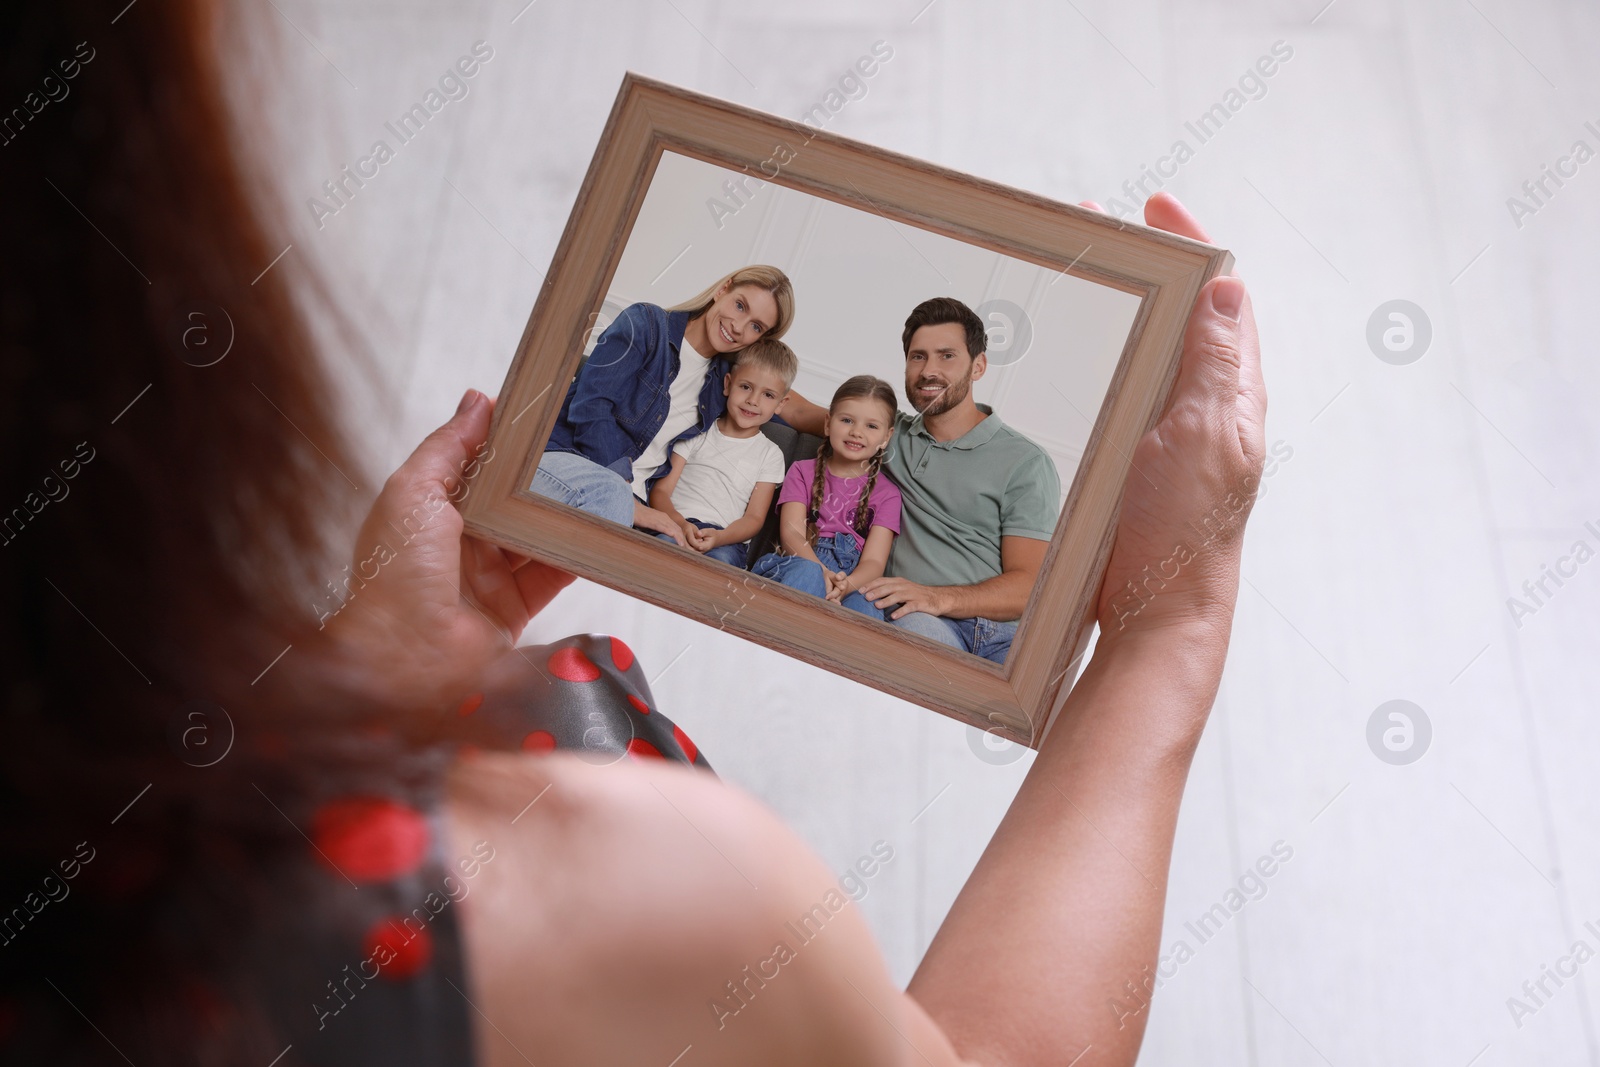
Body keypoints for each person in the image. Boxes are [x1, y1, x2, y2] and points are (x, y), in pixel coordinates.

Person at [2, 4, 1268, 1065]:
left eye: (942, 364)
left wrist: (389, 651)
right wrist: (1172, 617)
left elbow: (852, 494)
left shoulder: (962, 458)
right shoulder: (639, 898)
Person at [778, 299, 1060, 663]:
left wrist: (938, 597)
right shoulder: (883, 435)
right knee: (908, 633)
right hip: (913, 618)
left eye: (946, 356)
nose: (929, 370)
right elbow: (793, 407)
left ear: (978, 366)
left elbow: (1029, 586)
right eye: (918, 357)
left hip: (991, 631)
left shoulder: (1025, 462)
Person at [532, 264, 795, 545]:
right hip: (570, 463)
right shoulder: (646, 325)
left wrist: (839, 419)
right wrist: (626, 496)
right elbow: (591, 406)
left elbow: (776, 399)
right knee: (610, 498)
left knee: (677, 551)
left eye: (756, 327)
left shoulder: (724, 384)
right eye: (740, 306)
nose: (738, 327)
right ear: (723, 289)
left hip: (636, 503)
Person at [749, 376, 902, 619]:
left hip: (850, 579)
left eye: (871, 426)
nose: (856, 432)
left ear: (886, 437)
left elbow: (873, 562)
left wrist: (844, 587)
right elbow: (792, 535)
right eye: (847, 420)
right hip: (800, 562)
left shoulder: (888, 495)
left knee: (868, 603)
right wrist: (822, 573)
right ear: (829, 424)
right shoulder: (801, 471)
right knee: (809, 574)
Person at [647, 339, 795, 568]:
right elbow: (661, 491)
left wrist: (720, 538)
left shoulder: (770, 454)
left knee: (721, 565)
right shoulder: (698, 432)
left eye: (768, 395)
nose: (753, 401)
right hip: (676, 523)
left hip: (726, 539)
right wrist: (679, 525)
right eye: (745, 387)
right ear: (728, 384)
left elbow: (754, 519)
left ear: (780, 404)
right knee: (663, 548)